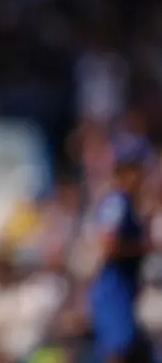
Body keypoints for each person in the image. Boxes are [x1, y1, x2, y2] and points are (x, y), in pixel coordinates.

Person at [89, 136, 152, 363]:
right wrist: (143, 247)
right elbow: (108, 245)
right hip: (113, 287)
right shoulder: (116, 202)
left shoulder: (126, 201)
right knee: (117, 351)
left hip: (124, 286)